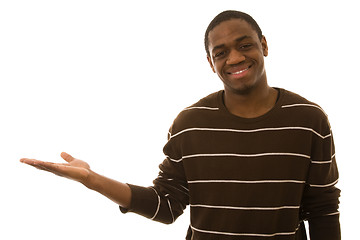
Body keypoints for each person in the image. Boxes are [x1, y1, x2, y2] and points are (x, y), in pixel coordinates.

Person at [20, 10, 341, 240]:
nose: (234, 58)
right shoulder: (190, 125)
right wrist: (92, 179)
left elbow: (323, 209)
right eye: (221, 52)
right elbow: (166, 205)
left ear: (264, 45)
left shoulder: (308, 120)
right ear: (210, 63)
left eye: (245, 45)